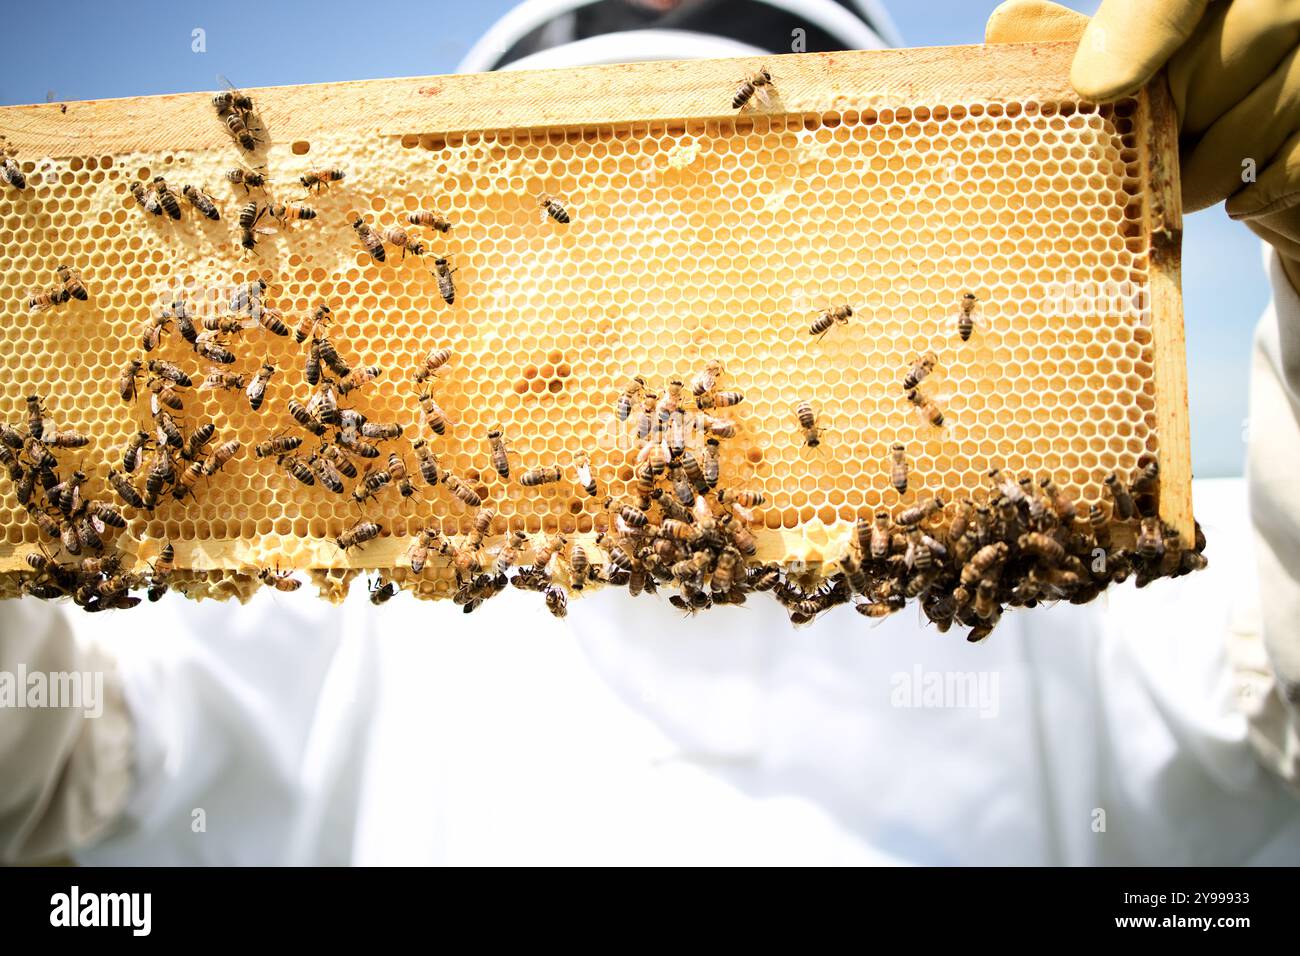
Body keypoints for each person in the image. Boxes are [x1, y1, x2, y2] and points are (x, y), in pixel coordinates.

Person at [1, 0, 1297, 865]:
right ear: (471, 282)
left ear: (891, 232)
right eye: (591, 254)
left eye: (738, 238)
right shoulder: (329, 605)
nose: (667, 313)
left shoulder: (1065, 596)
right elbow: (43, 763)